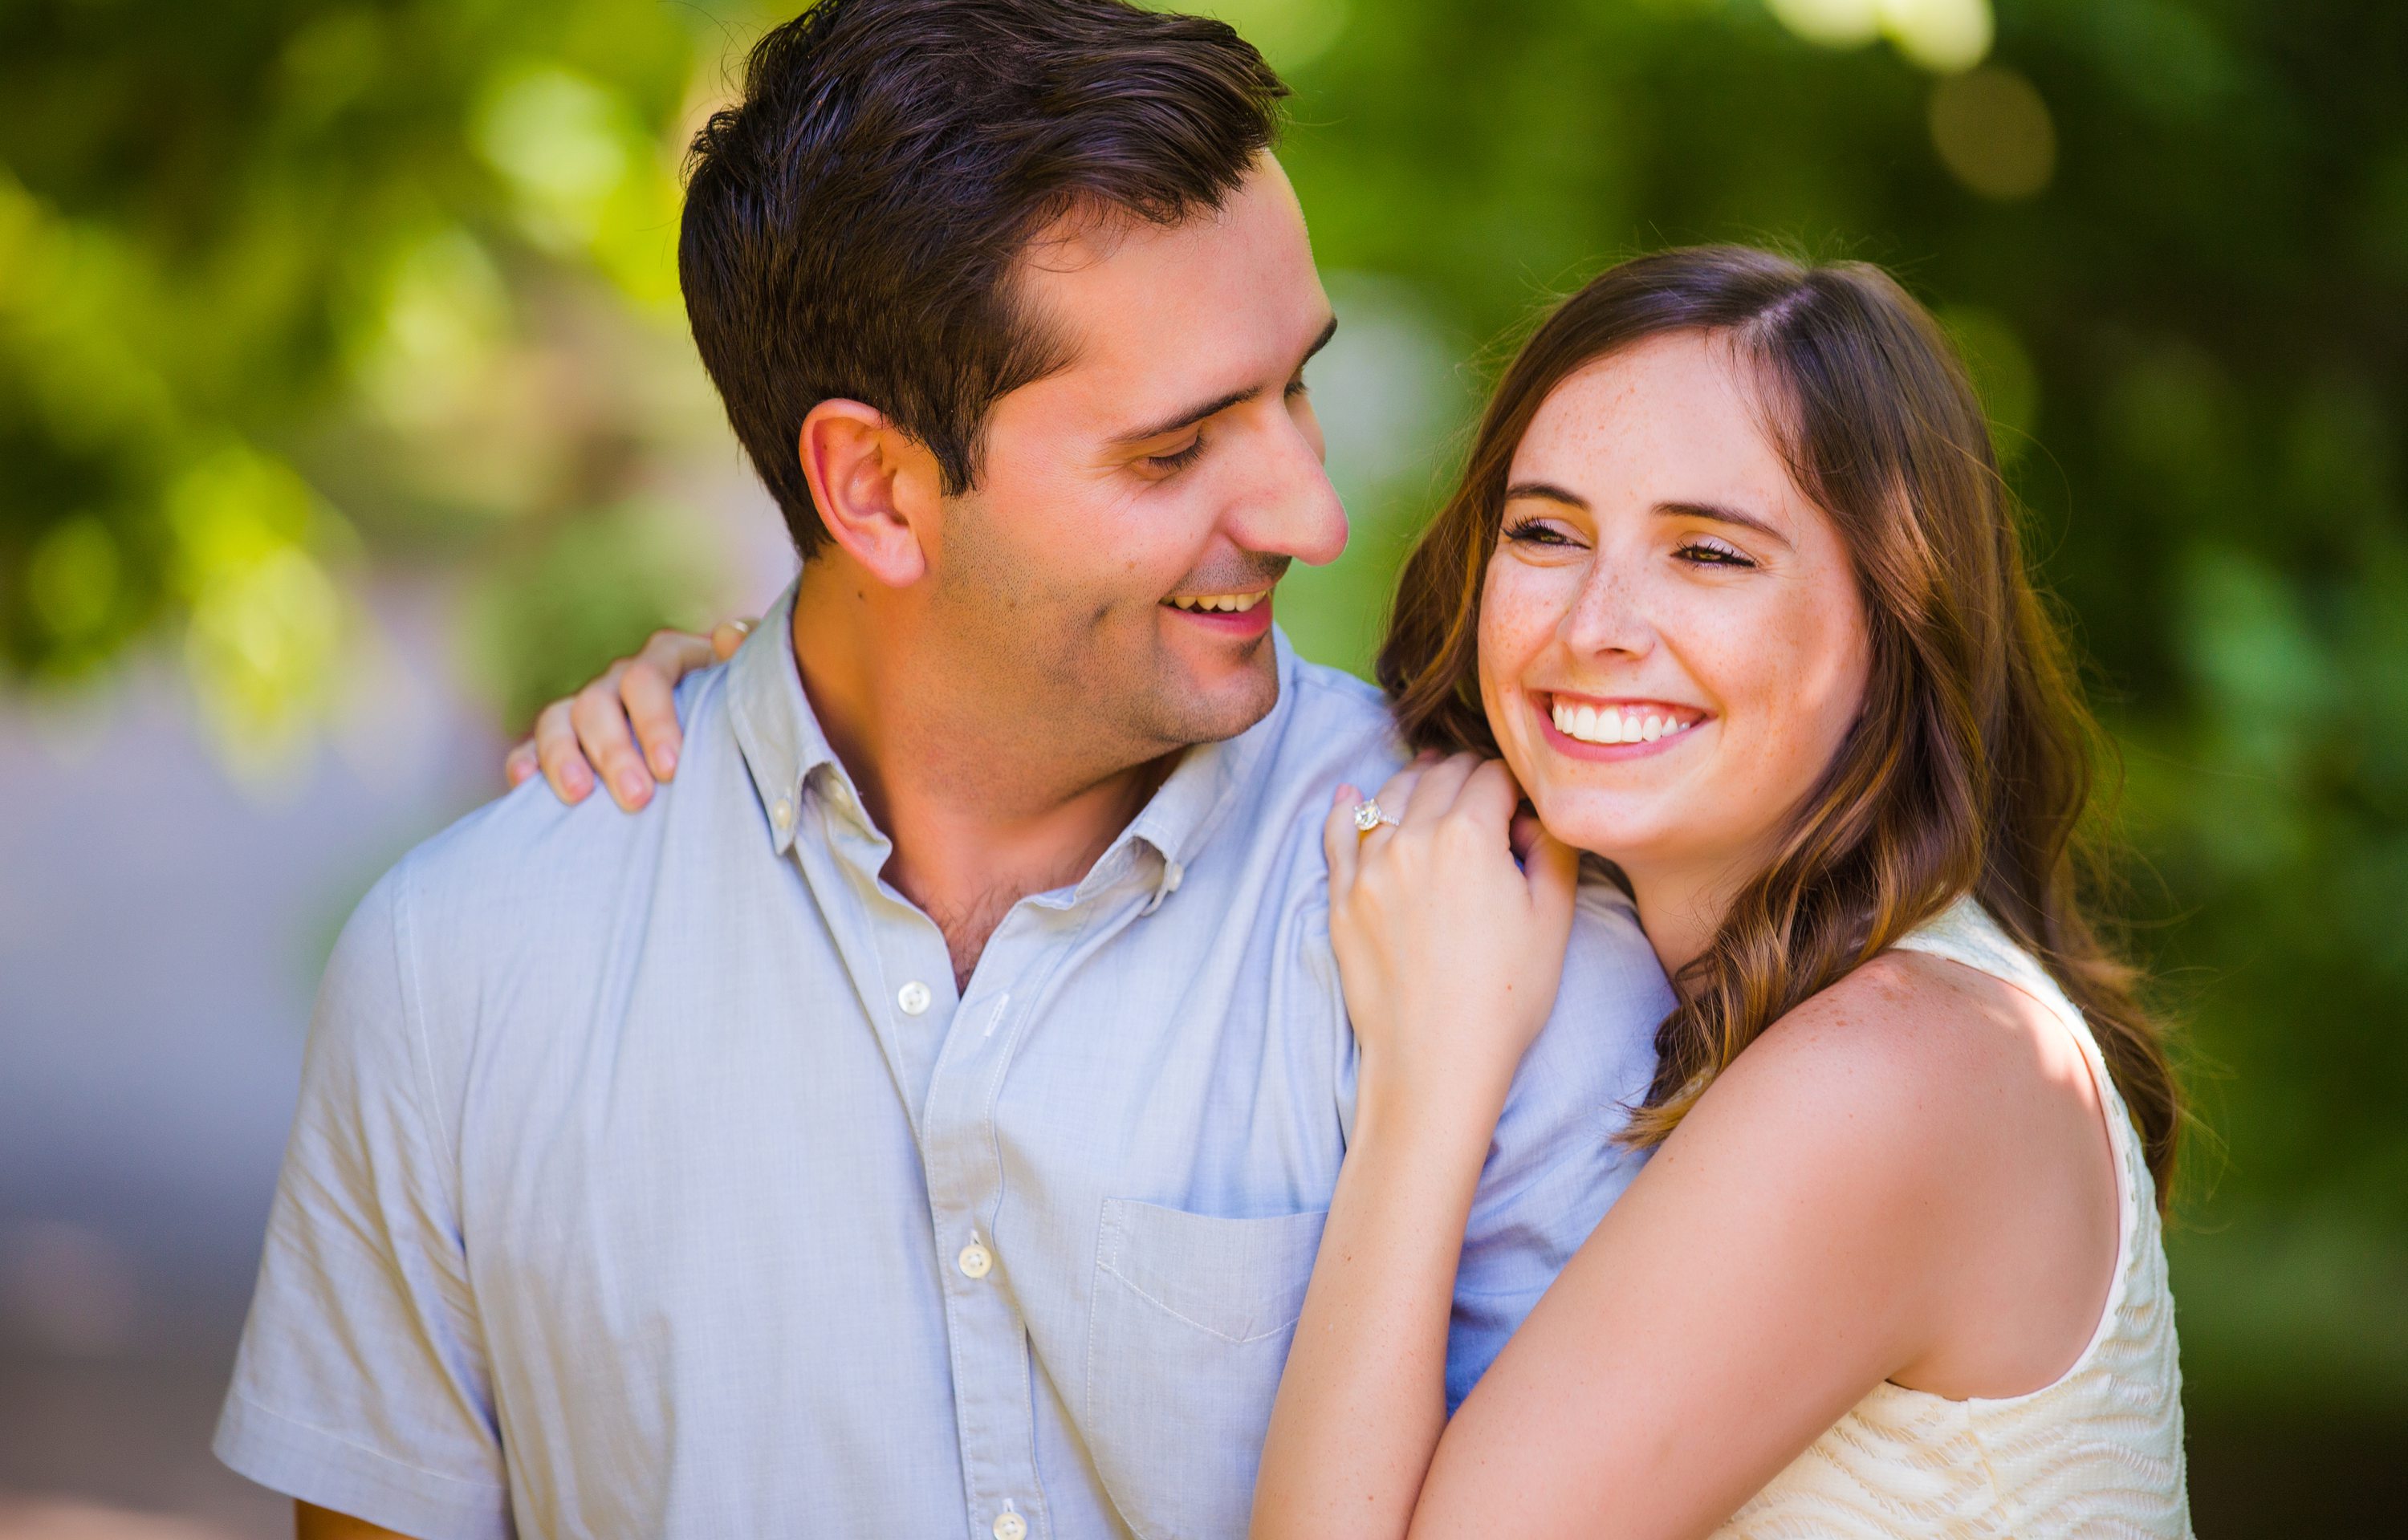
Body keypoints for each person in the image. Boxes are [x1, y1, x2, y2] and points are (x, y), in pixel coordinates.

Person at [214, 0, 1670, 1540]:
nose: (1309, 516)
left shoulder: (1488, 915)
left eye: (1293, 388)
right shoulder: (468, 967)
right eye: (1175, 446)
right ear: (875, 491)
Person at [559, 248, 2192, 1536]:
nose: (1598, 621)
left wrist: (1429, 1076)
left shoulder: (1904, 1068)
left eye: (1711, 554)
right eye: (1548, 534)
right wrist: (758, 710)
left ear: (1899, 618)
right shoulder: (1704, 967)